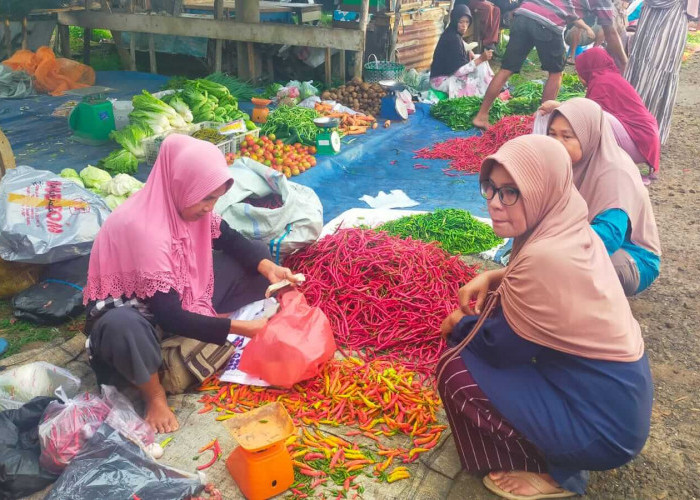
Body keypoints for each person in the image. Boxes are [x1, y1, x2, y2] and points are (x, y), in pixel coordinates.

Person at [438, 135, 653, 499]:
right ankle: (557, 446)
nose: (494, 203)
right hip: (618, 403)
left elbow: (502, 351)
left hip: (604, 429)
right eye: (489, 188)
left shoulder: (543, 257)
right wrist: (493, 275)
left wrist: (459, 325)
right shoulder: (568, 225)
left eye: (511, 192)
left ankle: (554, 474)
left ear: (541, 188)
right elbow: (543, 285)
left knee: (455, 367)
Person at [83, 134, 301, 433]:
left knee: (257, 257)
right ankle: (155, 396)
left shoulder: (183, 204)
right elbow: (167, 314)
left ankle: (203, 322)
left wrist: (270, 267)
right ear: (180, 184)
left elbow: (230, 237)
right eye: (206, 198)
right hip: (139, 314)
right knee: (124, 326)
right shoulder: (145, 228)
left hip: (176, 294)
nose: (210, 208)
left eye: (215, 199)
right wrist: (241, 329)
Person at [546, 98, 661, 295]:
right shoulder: (572, 163)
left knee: (565, 272)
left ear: (589, 136)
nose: (557, 143)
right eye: (552, 134)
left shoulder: (615, 172)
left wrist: (554, 246)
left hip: (632, 255)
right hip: (585, 239)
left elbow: (610, 235)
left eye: (567, 137)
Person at [470, 0, 627, 130]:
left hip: (523, 14)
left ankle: (481, 116)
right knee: (556, 73)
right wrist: (624, 60)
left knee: (505, 70)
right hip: (548, 24)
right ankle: (541, 122)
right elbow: (610, 31)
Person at [538, 47, 661, 179]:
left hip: (638, 143)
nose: (579, 76)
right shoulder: (608, 77)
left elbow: (589, 113)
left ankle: (553, 160)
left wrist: (558, 105)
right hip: (642, 141)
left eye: (580, 71)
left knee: (590, 120)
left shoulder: (603, 82)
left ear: (588, 68)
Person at [625, 0, 698, 144]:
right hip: (667, 21)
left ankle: (638, 126)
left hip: (663, 21)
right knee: (652, 67)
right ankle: (646, 127)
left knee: (650, 69)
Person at [430, 5, 495, 98]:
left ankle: (489, 89)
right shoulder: (452, 38)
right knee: (479, 67)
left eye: (467, 22)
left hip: (446, 74)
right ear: (455, 21)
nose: (464, 26)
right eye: (461, 22)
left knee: (479, 61)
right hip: (440, 81)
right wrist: (480, 59)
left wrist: (470, 52)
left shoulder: (452, 32)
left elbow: (462, 45)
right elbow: (458, 72)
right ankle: (487, 93)